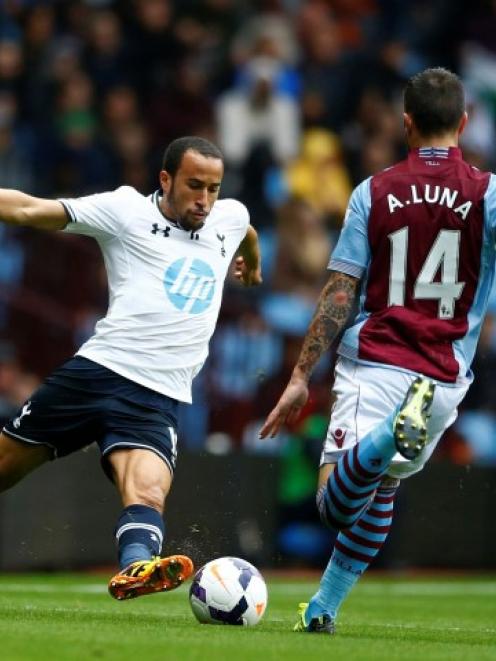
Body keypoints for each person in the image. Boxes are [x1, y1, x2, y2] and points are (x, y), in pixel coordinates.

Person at [260, 67, 496, 633]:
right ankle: (323, 608)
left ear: (406, 122)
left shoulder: (374, 191)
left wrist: (300, 374)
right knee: (382, 483)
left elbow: (340, 290)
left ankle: (391, 430)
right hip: (444, 378)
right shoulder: (489, 195)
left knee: (335, 505)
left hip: (377, 360)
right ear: (463, 122)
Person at [0, 135, 262, 600]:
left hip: (156, 397)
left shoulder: (228, 217)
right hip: (96, 374)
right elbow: (26, 209)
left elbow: (246, 231)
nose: (204, 201)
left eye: (213, 189)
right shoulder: (125, 212)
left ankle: (137, 567)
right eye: (193, 186)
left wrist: (252, 266)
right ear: (165, 179)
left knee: (148, 493)